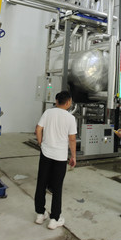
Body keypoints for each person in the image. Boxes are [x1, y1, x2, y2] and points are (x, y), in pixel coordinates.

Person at [34, 90, 77, 230]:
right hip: (60, 156)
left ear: (56, 101)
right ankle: (54, 219)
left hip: (46, 153)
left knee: (41, 183)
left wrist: (40, 143)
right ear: (68, 102)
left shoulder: (48, 113)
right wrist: (73, 156)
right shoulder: (70, 118)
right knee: (57, 187)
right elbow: (72, 139)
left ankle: (40, 214)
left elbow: (38, 129)